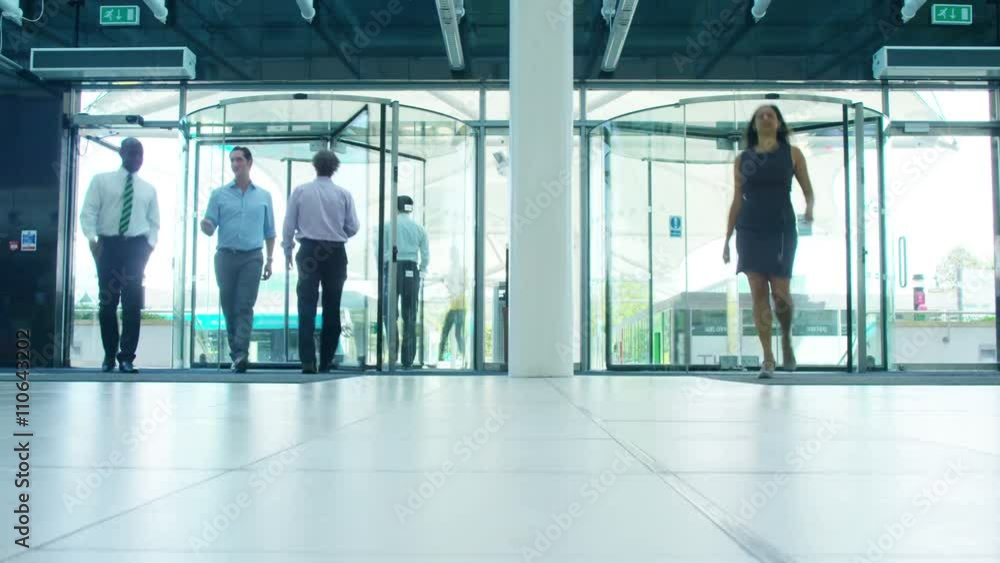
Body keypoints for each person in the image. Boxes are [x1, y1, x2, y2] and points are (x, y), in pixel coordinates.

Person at [723, 105, 814, 378]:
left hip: (781, 227)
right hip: (750, 228)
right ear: (753, 125)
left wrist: (809, 209)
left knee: (781, 294)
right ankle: (768, 358)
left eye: (770, 115)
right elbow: (737, 199)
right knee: (758, 293)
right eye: (760, 115)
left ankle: (785, 337)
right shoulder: (742, 159)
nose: (765, 118)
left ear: (778, 123)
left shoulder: (793, 154)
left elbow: (808, 191)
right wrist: (727, 238)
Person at [79, 137, 160, 373]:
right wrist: (92, 239)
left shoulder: (148, 189)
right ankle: (109, 355)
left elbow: (154, 222)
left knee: (132, 304)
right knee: (107, 303)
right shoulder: (101, 181)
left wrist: (149, 246)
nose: (137, 158)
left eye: (140, 154)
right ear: (122, 153)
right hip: (107, 246)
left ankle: (126, 358)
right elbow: (89, 212)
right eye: (132, 153)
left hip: (136, 247)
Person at [200, 147, 276, 373]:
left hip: (252, 257)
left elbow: (269, 232)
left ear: (249, 163)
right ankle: (237, 353)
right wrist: (205, 226)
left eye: (239, 160)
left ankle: (241, 353)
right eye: (232, 160)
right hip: (225, 257)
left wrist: (270, 260)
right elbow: (210, 226)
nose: (235, 164)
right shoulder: (219, 195)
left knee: (245, 306)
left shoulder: (264, 196)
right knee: (229, 306)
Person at [283, 150, 359, 374]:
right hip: (334, 251)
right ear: (334, 168)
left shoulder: (300, 191)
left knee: (306, 304)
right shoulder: (344, 194)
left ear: (314, 166)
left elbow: (289, 224)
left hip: (308, 250)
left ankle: (308, 360)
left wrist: (288, 249)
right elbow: (353, 227)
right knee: (332, 305)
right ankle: (326, 360)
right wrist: (337, 232)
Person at [383, 195, 429, 369]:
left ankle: (392, 354)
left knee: (389, 312)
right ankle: (408, 358)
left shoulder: (387, 226)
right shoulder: (419, 228)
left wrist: (383, 269)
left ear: (395, 207)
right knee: (410, 314)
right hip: (411, 268)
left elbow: (380, 250)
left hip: (392, 268)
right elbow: (425, 255)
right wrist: (422, 270)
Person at [438, 245, 466, 367]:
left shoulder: (461, 269)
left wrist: (455, 290)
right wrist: (445, 282)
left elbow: (463, 285)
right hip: (453, 306)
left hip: (460, 306)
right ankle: (439, 357)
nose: (451, 256)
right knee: (445, 331)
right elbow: (450, 285)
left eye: (452, 254)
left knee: (458, 334)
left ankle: (464, 358)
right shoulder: (451, 269)